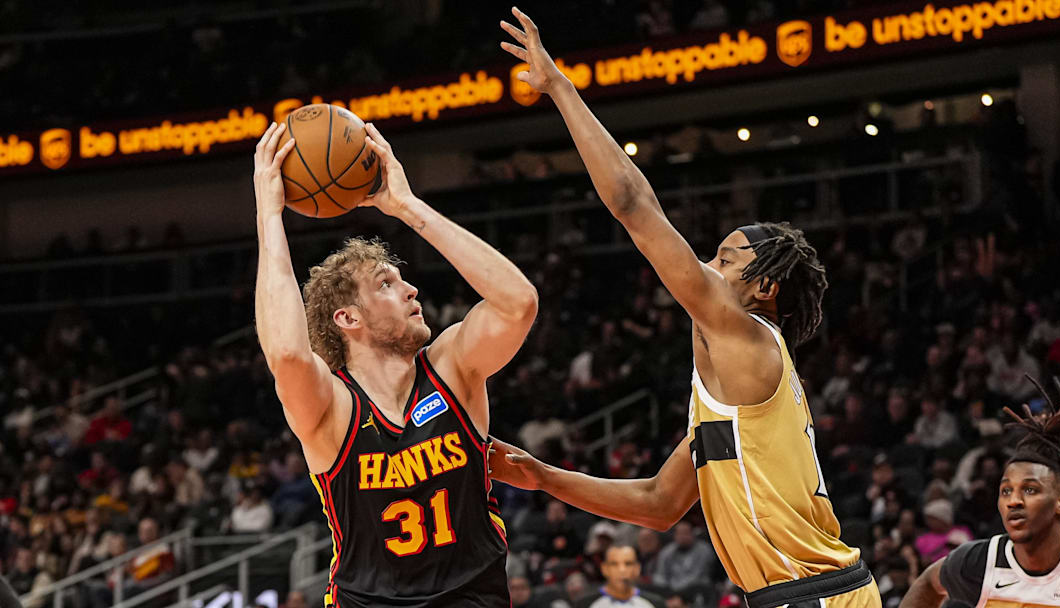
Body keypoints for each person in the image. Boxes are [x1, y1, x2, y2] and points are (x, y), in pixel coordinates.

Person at [492, 8, 878, 607]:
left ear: (764, 288)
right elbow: (658, 505)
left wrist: (561, 88)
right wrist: (541, 476)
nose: (706, 268)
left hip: (817, 596)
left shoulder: (749, 338)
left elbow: (631, 203)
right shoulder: (728, 397)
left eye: (725, 259)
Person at [253, 117, 538, 608]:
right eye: (386, 284)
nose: (411, 290)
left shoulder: (452, 368)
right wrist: (270, 215)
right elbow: (284, 352)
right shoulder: (333, 407)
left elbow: (518, 303)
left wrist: (406, 207)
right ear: (347, 317)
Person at [900, 380, 1060, 607]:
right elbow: (928, 582)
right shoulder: (981, 562)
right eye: (1006, 490)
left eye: (1030, 489)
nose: (1014, 501)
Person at [577, 545, 664, 608]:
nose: (622, 570)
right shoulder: (585, 604)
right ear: (604, 569)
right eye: (614, 564)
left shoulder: (655, 603)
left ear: (637, 568)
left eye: (628, 564)